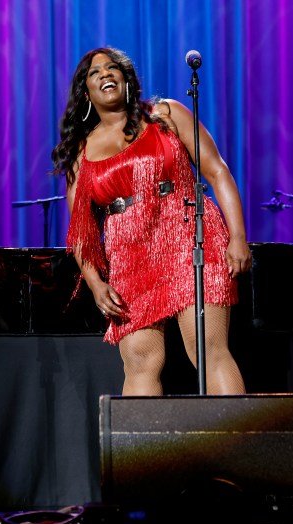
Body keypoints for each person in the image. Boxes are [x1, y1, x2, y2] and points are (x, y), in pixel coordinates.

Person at [51, 47, 251, 396]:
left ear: (127, 79)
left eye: (112, 68)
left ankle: (237, 448)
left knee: (207, 350)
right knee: (141, 363)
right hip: (129, 259)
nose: (105, 74)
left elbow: (217, 171)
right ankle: (144, 453)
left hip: (188, 236)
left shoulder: (165, 114)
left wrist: (238, 236)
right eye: (94, 73)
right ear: (86, 93)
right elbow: (81, 234)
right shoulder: (81, 154)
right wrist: (96, 285)